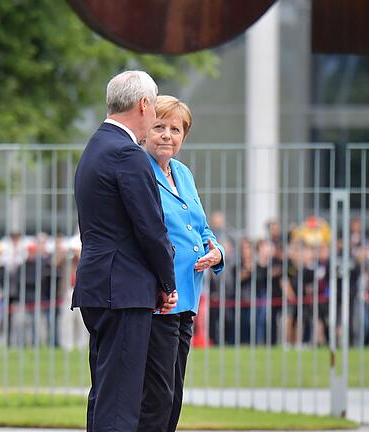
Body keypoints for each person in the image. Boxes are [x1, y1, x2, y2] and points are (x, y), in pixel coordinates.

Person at [73, 71, 177, 431]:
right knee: (121, 401)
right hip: (125, 290)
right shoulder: (127, 154)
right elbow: (151, 229)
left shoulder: (95, 147)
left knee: (104, 393)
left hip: (99, 286)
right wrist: (168, 282)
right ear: (144, 104)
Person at [139, 95, 224, 432]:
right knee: (158, 395)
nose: (166, 135)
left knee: (174, 393)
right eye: (159, 127)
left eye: (175, 129)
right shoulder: (139, 169)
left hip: (189, 297)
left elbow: (200, 226)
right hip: (160, 299)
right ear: (145, 131)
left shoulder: (183, 173)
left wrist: (216, 250)